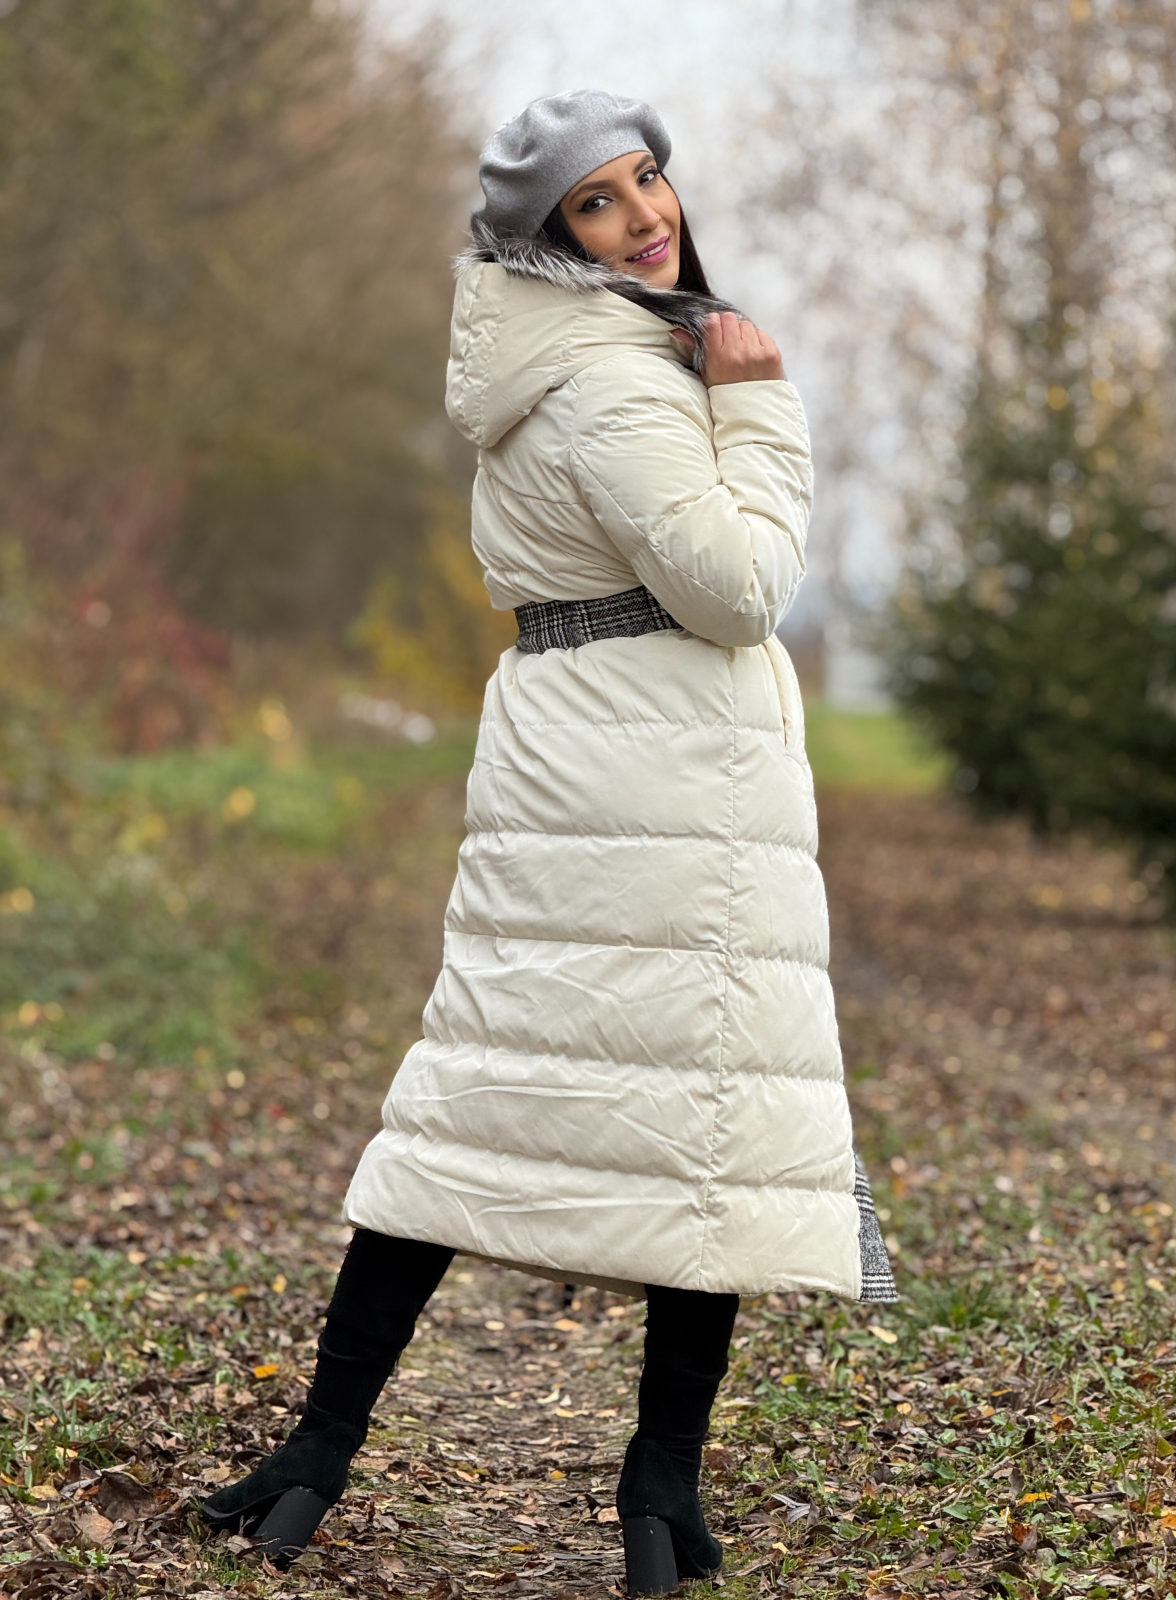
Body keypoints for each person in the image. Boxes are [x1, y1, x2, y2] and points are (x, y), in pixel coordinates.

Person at [200, 89, 896, 1596]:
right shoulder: (615, 381)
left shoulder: (564, 357)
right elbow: (739, 590)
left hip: (582, 740)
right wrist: (761, 406)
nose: (644, 216)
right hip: (669, 763)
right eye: (598, 201)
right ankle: (654, 1489)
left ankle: (324, 1453)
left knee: (490, 1093)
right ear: (548, 237)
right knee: (698, 1113)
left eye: (648, 179)